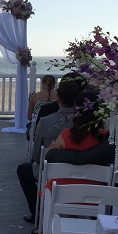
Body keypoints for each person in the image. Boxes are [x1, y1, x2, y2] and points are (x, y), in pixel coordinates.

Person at [17, 81, 80, 223]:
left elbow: (36, 157)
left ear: (58, 99)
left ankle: (36, 213)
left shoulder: (45, 121)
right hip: (82, 174)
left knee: (23, 170)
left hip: (52, 175)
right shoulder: (84, 121)